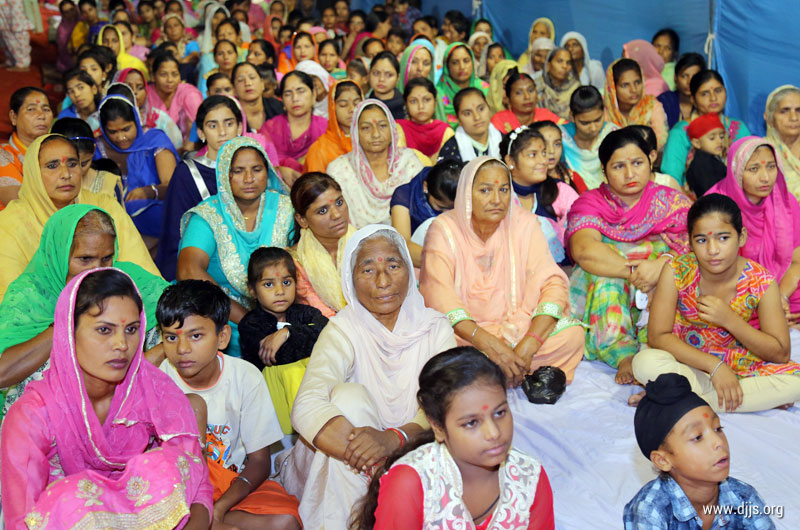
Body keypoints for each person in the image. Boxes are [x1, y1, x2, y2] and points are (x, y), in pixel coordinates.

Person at [0, 268, 212, 529]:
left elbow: (197, 482)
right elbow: (22, 520)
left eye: (132, 329)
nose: (122, 345)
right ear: (68, 332)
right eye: (104, 330)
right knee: (72, 498)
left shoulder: (153, 389)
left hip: (147, 521)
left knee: (169, 464)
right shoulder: (33, 414)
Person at [286, 225, 456, 529]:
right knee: (347, 398)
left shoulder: (435, 328)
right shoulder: (344, 328)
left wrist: (394, 439)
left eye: (393, 265)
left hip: (411, 449)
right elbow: (307, 404)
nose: (383, 281)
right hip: (347, 459)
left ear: (409, 269)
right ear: (350, 281)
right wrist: (375, 460)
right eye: (367, 270)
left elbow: (445, 407)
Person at [420, 155, 584, 387]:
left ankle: (508, 369)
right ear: (467, 192)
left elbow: (552, 284)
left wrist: (530, 344)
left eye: (504, 190)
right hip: (467, 336)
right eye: (485, 190)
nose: (496, 199)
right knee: (438, 350)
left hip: (519, 327)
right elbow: (440, 298)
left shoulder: (525, 224)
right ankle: (516, 371)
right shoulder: (444, 229)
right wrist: (490, 344)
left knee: (572, 335)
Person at [0, 205, 168, 424]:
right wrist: (66, 321)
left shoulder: (127, 279)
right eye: (85, 259)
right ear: (59, 256)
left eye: (106, 258)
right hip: (48, 424)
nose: (97, 270)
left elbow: (189, 313)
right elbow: (3, 373)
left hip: (123, 407)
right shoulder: (30, 296)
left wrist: (153, 355)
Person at [354, 347, 556, 530]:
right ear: (438, 428)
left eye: (500, 413)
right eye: (471, 423)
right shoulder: (411, 482)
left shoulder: (529, 477)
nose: (494, 433)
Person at [633, 194, 800, 414]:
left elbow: (779, 353)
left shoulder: (761, 281)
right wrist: (715, 367)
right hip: (686, 361)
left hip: (738, 366)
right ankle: (714, 396)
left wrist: (729, 320)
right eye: (702, 240)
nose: (713, 250)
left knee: (795, 383)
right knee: (644, 362)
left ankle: (674, 395)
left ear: (741, 237)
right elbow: (658, 336)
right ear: (690, 242)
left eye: (723, 238)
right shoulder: (676, 270)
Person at [157, 280, 302, 529]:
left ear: (222, 337)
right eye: (171, 337)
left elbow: (259, 462)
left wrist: (221, 507)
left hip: (232, 485)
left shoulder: (245, 377)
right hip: (180, 489)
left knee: (286, 521)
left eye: (196, 336)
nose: (182, 349)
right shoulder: (160, 379)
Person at [567, 129, 691, 384]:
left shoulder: (672, 202)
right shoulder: (591, 202)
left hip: (659, 276)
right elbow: (584, 250)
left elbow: (692, 247)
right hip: (615, 277)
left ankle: (651, 345)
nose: (629, 174)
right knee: (603, 272)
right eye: (618, 166)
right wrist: (636, 272)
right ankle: (621, 353)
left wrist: (661, 266)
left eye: (637, 163)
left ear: (651, 160)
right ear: (604, 170)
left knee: (673, 271)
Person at [0, 134, 159, 301]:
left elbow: (142, 274)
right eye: (52, 165)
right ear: (33, 172)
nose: (66, 174)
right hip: (42, 321)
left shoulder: (104, 207)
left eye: (72, 164)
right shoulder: (9, 224)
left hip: (114, 310)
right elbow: (11, 302)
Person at [177, 136, 294, 358]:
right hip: (222, 320)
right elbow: (187, 270)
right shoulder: (208, 215)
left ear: (267, 171)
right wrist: (248, 319)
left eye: (257, 169)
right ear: (224, 175)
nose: (249, 178)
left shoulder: (284, 207)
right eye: (238, 171)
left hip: (281, 316)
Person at [624, 373, 777, 528]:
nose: (718, 442)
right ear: (663, 460)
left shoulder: (744, 497)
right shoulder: (650, 510)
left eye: (718, 428)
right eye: (697, 437)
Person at [708, 137, 800, 325]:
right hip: (734, 295)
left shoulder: (786, 203)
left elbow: (797, 262)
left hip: (782, 288)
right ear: (736, 170)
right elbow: (714, 271)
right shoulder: (715, 207)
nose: (765, 177)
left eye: (771, 167)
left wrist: (780, 298)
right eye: (754, 169)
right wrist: (770, 308)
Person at [239, 247, 328, 432]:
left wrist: (287, 332)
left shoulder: (305, 313)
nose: (280, 291)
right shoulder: (250, 324)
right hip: (271, 403)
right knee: (290, 370)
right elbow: (282, 356)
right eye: (269, 284)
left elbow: (328, 331)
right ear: (252, 290)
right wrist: (306, 335)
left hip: (313, 396)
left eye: (287, 282)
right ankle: (311, 427)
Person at [157, 96, 246, 281]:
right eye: (213, 126)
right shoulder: (188, 173)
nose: (222, 132)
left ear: (239, 127)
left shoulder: (253, 168)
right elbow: (175, 233)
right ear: (201, 132)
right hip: (203, 266)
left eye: (228, 123)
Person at [326, 99, 425, 228]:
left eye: (382, 125)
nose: (375, 134)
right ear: (355, 132)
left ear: (392, 129)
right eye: (366, 128)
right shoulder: (339, 170)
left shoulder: (409, 163)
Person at [97, 94, 179, 240]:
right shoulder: (97, 149)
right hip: (113, 217)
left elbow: (173, 187)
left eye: (126, 129)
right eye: (113, 132)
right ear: (103, 129)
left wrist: (149, 191)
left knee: (164, 217)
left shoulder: (154, 141)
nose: (121, 137)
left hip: (154, 211)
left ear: (136, 121)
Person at [502, 127, 579, 264]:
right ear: (510, 161)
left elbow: (581, 228)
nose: (544, 160)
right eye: (533, 155)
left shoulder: (560, 191)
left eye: (543, 153)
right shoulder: (500, 197)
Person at [662, 69, 751, 185]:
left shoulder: (739, 128)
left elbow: (751, 169)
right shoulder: (681, 132)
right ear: (693, 99)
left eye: (718, 91)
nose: (713, 98)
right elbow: (671, 179)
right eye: (705, 93)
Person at [287, 172, 356, 319]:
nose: (337, 215)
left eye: (339, 202)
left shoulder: (367, 245)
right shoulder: (295, 263)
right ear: (302, 220)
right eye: (322, 210)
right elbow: (321, 316)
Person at [391, 159, 460, 266]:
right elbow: (402, 246)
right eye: (440, 207)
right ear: (425, 187)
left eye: (453, 209)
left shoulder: (468, 191)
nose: (446, 214)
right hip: (421, 263)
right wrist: (445, 264)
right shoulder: (405, 196)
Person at [262, 70, 328, 180]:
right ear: (282, 99)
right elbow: (261, 165)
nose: (295, 99)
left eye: (301, 91)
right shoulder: (270, 129)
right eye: (288, 94)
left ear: (313, 94)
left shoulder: (325, 128)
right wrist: (280, 170)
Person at [0, 87, 54, 208]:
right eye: (31, 109)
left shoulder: (58, 151)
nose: (41, 115)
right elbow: (19, 202)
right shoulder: (3, 156)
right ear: (13, 117)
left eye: (46, 109)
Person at [603, 58, 669, 151]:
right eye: (625, 85)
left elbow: (660, 140)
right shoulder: (604, 109)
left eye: (637, 82)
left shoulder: (651, 105)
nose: (633, 90)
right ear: (613, 87)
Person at [560, 85, 618, 190]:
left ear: (604, 112)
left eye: (598, 120)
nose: (593, 128)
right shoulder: (560, 138)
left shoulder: (613, 135)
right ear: (572, 116)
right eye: (585, 123)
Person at [50, 117, 122, 199]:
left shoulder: (109, 183)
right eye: (71, 165)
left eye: (84, 164)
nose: (78, 171)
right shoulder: (46, 185)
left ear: (94, 150)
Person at [305, 80, 363, 173]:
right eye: (343, 105)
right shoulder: (319, 150)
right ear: (332, 108)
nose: (352, 109)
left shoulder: (372, 141)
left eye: (356, 104)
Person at [146, 50, 204, 143]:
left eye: (174, 74)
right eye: (163, 74)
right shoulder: (146, 94)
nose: (170, 80)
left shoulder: (189, 94)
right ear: (153, 76)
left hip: (189, 150)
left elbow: (199, 128)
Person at [437, 88, 503, 164]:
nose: (477, 117)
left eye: (481, 109)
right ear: (458, 119)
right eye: (468, 113)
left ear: (489, 108)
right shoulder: (450, 151)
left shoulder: (504, 141)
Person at [491, 69, 564, 134]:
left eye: (530, 90)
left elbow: (567, 133)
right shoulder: (499, 121)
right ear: (508, 98)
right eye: (519, 93)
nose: (527, 97)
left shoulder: (546, 116)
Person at [397, 77, 453, 159]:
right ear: (406, 105)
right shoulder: (398, 128)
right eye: (413, 101)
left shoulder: (445, 131)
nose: (421, 106)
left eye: (426, 100)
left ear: (435, 102)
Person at [435, 43, 489, 129]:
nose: (462, 67)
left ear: (472, 62)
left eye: (466, 61)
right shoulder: (437, 95)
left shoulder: (485, 89)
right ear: (447, 66)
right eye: (455, 63)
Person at [530, 119, 589, 194]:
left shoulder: (572, 178)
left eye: (557, 144)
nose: (552, 151)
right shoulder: (527, 182)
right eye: (544, 144)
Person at [764, 84, 800, 201]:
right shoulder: (759, 152)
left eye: (799, 110)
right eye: (784, 111)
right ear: (769, 118)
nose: (794, 117)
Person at [656, 52, 705, 129]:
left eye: (695, 77)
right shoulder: (664, 101)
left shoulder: (705, 104)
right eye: (684, 76)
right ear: (675, 78)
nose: (689, 82)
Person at [685, 113, 727, 197]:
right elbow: (710, 194)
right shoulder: (702, 164)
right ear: (697, 143)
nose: (719, 141)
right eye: (712, 138)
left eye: (721, 137)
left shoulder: (710, 160)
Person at [538, 47, 580, 121]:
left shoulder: (576, 89)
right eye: (560, 61)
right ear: (548, 66)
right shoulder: (537, 87)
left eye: (568, 63)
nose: (564, 66)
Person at [367, 51, 404, 120]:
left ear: (398, 78)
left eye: (388, 75)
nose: (381, 79)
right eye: (376, 73)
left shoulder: (405, 108)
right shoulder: (364, 104)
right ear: (369, 74)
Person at [56, 0, 79, 72]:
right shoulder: (62, 30)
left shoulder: (83, 19)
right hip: (70, 57)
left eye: (72, 10)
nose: (70, 13)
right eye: (66, 12)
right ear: (63, 14)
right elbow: (64, 50)